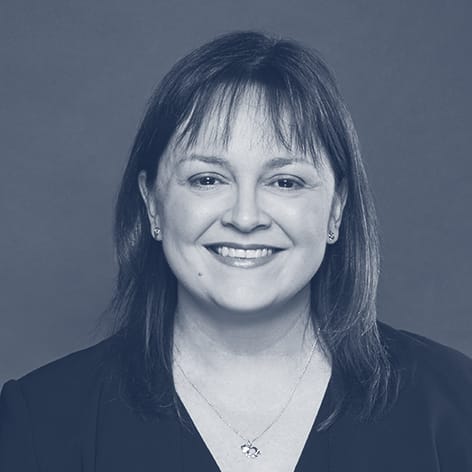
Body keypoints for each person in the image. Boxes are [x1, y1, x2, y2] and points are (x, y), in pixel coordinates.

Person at [0, 31, 471, 472]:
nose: (246, 217)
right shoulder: (40, 420)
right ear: (152, 204)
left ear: (336, 208)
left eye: (285, 182)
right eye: (208, 179)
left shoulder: (455, 402)